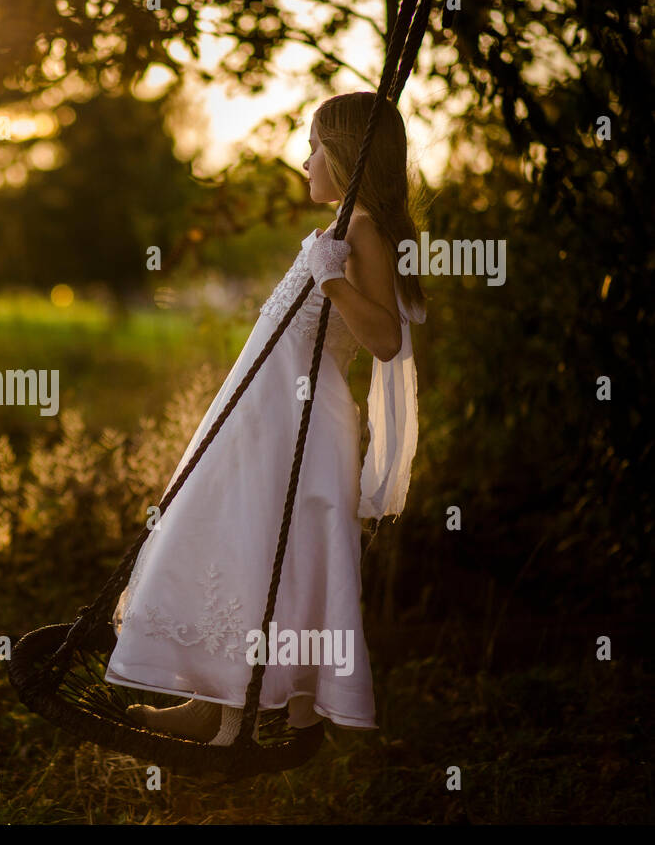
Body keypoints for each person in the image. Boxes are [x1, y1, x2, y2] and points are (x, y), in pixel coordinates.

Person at [104, 91, 428, 746]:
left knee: (260, 548)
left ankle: (235, 718)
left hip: (299, 424)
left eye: (313, 146)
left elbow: (387, 341)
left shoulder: (362, 230)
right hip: (263, 417)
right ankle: (212, 698)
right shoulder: (342, 226)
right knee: (226, 538)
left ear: (343, 155)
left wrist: (333, 280)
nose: (304, 160)